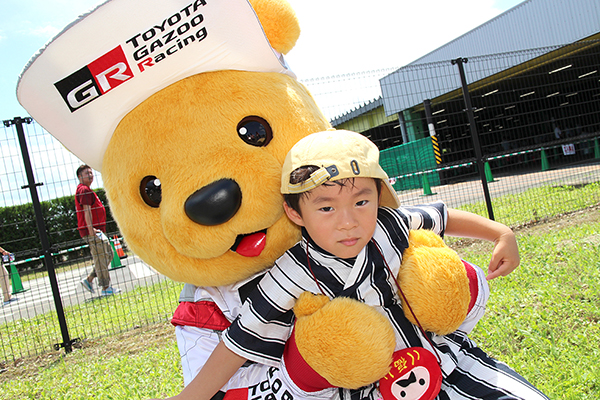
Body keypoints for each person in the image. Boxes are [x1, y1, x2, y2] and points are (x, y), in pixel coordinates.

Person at [157, 130, 548, 400]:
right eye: (325, 208)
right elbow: (239, 342)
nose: (348, 221)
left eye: (361, 201)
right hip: (366, 388)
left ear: (378, 196)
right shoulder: (292, 273)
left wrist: (501, 233)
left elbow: (442, 216)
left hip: (443, 359)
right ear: (294, 212)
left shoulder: (386, 225)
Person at [75, 165, 120, 297]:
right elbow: (86, 210)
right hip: (93, 231)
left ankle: (89, 279)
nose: (90, 175)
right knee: (101, 256)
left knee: (108, 255)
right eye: (86, 173)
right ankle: (106, 287)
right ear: (80, 177)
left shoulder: (87, 190)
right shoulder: (84, 190)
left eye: (91, 172)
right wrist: (91, 230)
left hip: (98, 231)